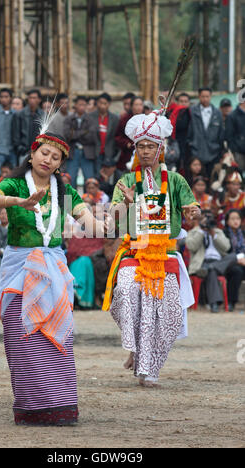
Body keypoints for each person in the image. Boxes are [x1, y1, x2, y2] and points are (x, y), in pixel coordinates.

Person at [0, 119, 112, 426]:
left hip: (52, 266)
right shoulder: (14, 184)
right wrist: (18, 202)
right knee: (20, 330)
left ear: (60, 165)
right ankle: (31, 404)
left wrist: (107, 225)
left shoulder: (63, 192)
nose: (47, 159)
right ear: (32, 153)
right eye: (44, 152)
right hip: (19, 266)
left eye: (55, 157)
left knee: (57, 332)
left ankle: (59, 406)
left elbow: (88, 221)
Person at [103, 109, 201, 387]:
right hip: (133, 253)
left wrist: (193, 212)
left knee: (168, 312)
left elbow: (191, 206)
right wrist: (130, 202)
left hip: (166, 254)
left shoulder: (176, 180)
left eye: (150, 146)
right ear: (135, 149)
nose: (145, 151)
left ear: (161, 149)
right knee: (125, 293)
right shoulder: (124, 181)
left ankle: (151, 367)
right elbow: (114, 217)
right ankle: (136, 348)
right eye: (141, 146)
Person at [186, 210, 245, 313]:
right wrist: (201, 231)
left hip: (220, 263)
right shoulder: (193, 232)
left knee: (233, 256)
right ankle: (214, 304)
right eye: (205, 218)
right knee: (212, 271)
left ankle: (214, 303)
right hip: (202, 263)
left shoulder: (218, 232)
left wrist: (213, 234)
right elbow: (192, 246)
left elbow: (227, 247)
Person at [188, 87, 224, 177]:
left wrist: (219, 150)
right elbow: (188, 131)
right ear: (199, 97)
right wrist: (191, 144)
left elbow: (221, 134)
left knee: (211, 179)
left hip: (213, 153)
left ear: (210, 96)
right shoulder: (192, 111)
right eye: (203, 96)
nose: (205, 99)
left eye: (207, 96)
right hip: (195, 152)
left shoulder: (217, 113)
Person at [64, 95, 97, 188]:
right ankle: (68, 202)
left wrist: (75, 134)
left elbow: (92, 136)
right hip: (72, 152)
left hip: (87, 152)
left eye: (84, 105)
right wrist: (84, 132)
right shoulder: (68, 119)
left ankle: (89, 201)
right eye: (80, 104)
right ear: (75, 105)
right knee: (69, 179)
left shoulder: (91, 119)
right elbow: (67, 135)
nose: (82, 107)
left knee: (90, 180)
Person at [89, 92, 120, 177]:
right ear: (97, 103)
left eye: (105, 103)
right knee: (94, 177)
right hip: (94, 152)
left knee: (107, 178)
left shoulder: (114, 118)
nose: (102, 106)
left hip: (109, 152)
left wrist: (114, 153)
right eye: (100, 103)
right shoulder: (90, 116)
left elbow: (115, 136)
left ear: (109, 104)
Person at [12, 89, 44, 164]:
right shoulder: (20, 114)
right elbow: (15, 133)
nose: (32, 100)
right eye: (30, 98)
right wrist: (20, 148)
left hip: (38, 151)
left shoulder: (43, 114)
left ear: (39, 100)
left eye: (34, 98)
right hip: (24, 151)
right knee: (23, 173)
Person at [115, 96, 144, 171]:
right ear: (131, 106)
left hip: (143, 153)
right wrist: (126, 143)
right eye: (136, 105)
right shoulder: (125, 120)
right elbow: (117, 137)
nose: (138, 107)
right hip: (127, 153)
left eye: (140, 105)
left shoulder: (147, 120)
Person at [224, 209, 245, 310]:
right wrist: (237, 259)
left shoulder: (243, 234)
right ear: (227, 221)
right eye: (232, 219)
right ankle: (231, 302)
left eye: (238, 218)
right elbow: (223, 253)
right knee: (237, 271)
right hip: (229, 263)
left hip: (243, 263)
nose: (235, 221)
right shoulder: (224, 234)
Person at [225, 98, 245, 176]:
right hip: (238, 153)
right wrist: (234, 150)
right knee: (237, 177)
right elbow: (229, 136)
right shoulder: (232, 115)